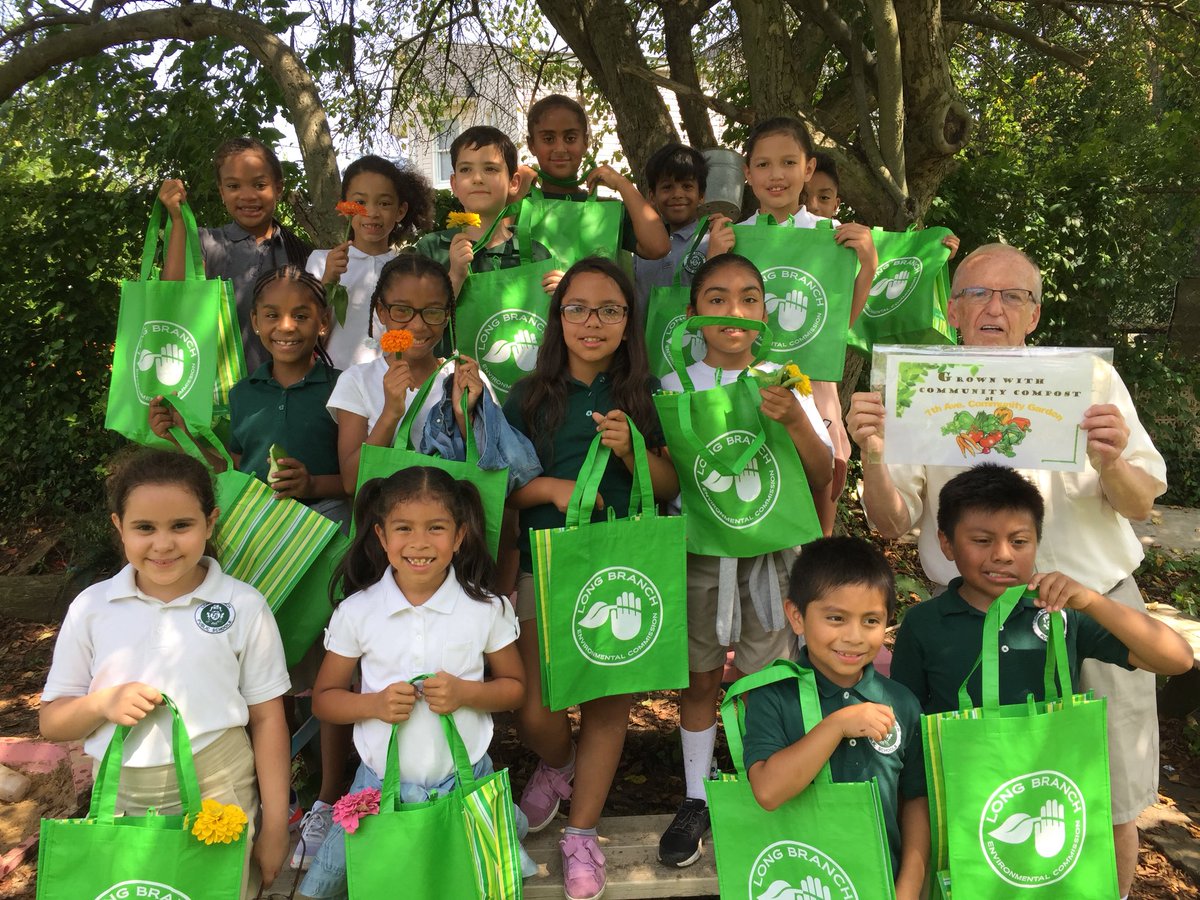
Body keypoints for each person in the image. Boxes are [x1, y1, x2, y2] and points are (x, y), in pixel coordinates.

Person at [847, 243, 1174, 898]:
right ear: (951, 309)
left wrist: (1111, 463)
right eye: (975, 294)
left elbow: (1142, 499)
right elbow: (891, 520)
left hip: (1093, 614)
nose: (993, 308)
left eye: (1012, 296)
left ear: (1035, 313)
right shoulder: (920, 388)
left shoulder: (1088, 380)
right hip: (973, 624)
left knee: (1107, 798)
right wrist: (874, 455)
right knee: (986, 794)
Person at [503, 257, 679, 900]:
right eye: (577, 308)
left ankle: (582, 832)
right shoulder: (525, 397)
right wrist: (546, 486)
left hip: (622, 568)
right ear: (558, 317)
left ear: (629, 321)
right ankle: (559, 764)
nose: (592, 322)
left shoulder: (644, 392)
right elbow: (499, 491)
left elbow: (671, 486)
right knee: (533, 705)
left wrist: (634, 451)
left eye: (610, 309)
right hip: (541, 567)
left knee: (608, 706)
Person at [40, 449, 291, 897]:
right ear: (119, 527)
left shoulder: (243, 606)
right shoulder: (92, 608)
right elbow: (53, 721)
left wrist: (275, 825)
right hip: (120, 794)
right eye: (144, 528)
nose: (162, 544)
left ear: (210, 523)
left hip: (220, 786)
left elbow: (270, 718)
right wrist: (103, 703)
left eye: (181, 525)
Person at [656, 254, 833, 869]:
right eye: (718, 298)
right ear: (693, 313)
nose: (733, 310)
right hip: (701, 555)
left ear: (764, 311)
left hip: (770, 559)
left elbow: (820, 473)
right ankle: (696, 796)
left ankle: (763, 786)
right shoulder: (674, 384)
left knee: (766, 679)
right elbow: (669, 477)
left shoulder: (784, 380)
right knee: (701, 678)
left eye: (749, 298)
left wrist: (795, 423)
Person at [299, 466, 534, 899]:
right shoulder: (358, 611)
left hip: (463, 782)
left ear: (459, 535)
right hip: (375, 789)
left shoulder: (485, 609)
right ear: (382, 537)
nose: (420, 543)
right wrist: (372, 705)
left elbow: (515, 688)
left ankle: (504, 821)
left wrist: (467, 693)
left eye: (436, 528)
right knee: (328, 886)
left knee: (474, 882)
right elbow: (325, 701)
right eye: (403, 528)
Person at [891, 464, 1191, 715]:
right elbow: (907, 716)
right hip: (959, 782)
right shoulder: (923, 624)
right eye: (982, 540)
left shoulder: (1059, 612)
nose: (1003, 554)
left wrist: (1091, 602)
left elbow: (1177, 660)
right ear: (947, 543)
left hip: (1051, 783)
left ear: (1037, 541)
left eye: (1019, 541)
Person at [704, 117, 876, 538]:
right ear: (746, 173)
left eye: (787, 162)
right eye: (762, 165)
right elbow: (711, 320)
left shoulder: (834, 237)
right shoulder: (731, 237)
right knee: (750, 503)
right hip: (744, 392)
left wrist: (868, 263)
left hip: (814, 393)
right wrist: (712, 259)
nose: (775, 175)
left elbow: (838, 325)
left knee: (817, 520)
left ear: (808, 168)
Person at [741, 536, 930, 899]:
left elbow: (915, 801)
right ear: (797, 616)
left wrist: (907, 889)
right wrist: (837, 724)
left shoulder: (901, 703)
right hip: (798, 883)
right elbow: (767, 791)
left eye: (871, 620)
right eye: (836, 618)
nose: (854, 636)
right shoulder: (773, 696)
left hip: (880, 886)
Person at [149, 265, 346, 524]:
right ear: (255, 321)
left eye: (300, 316)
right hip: (256, 526)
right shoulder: (243, 393)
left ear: (322, 322)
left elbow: (359, 476)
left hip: (326, 528)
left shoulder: (343, 387)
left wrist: (312, 485)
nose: (286, 327)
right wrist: (183, 438)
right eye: (272, 315)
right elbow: (234, 469)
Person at [328, 254, 539, 496]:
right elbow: (351, 483)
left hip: (455, 527)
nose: (418, 325)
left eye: (433, 312)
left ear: (448, 314)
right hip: (387, 529)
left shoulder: (465, 378)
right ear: (381, 311)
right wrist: (390, 415)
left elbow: (496, 477)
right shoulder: (356, 381)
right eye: (402, 310)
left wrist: (464, 417)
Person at [159, 137, 312, 371]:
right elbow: (172, 300)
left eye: (259, 185)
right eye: (233, 186)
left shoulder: (302, 254)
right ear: (221, 192)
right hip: (219, 397)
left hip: (285, 396)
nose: (248, 196)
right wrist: (177, 219)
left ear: (278, 188)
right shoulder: (205, 243)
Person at [307, 155, 434, 369]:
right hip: (335, 380)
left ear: (400, 211)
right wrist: (329, 279)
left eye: (384, 203)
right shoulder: (321, 261)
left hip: (390, 383)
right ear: (344, 206)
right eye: (360, 203)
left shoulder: (407, 269)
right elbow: (307, 326)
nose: (372, 213)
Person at [411, 125, 559, 299]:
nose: (477, 178)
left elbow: (549, 321)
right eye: (466, 169)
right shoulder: (431, 250)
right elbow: (416, 319)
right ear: (454, 184)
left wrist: (563, 298)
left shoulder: (536, 254)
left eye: (490, 169)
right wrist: (455, 277)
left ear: (514, 183)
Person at [518, 94, 670, 263]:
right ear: (531, 145)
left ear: (585, 142)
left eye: (570, 138)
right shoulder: (518, 206)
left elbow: (658, 247)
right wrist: (512, 195)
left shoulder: (607, 210)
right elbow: (483, 231)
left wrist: (622, 184)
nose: (560, 148)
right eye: (548, 139)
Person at [631, 142, 709, 316]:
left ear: (702, 195)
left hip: (692, 342)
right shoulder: (641, 249)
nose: (677, 194)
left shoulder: (710, 242)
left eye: (687, 186)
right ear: (652, 196)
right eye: (667, 187)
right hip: (645, 342)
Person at [799, 151, 841, 221]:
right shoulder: (776, 231)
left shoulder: (844, 231)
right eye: (802, 196)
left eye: (824, 197)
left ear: (835, 206)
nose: (812, 206)